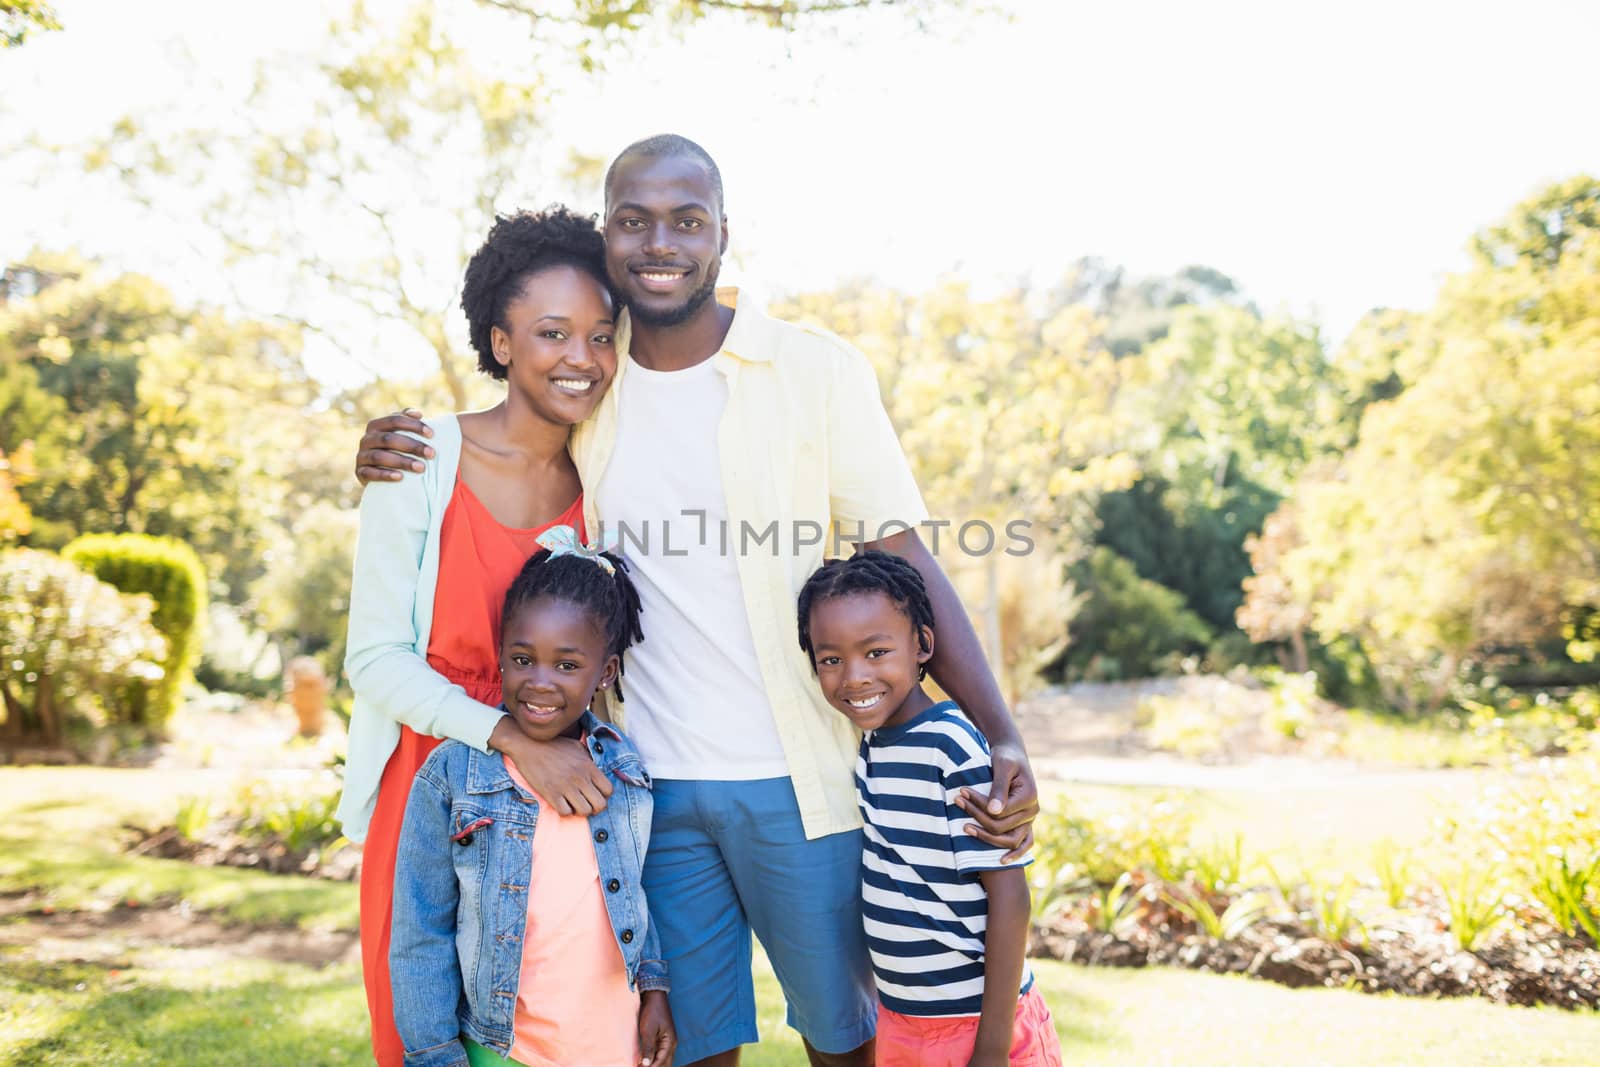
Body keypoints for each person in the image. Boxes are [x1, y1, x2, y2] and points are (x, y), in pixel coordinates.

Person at [353, 133, 1041, 1067]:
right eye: (633, 222)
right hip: (646, 787)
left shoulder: (813, 372)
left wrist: (1001, 731)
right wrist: (394, 445)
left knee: (846, 1038)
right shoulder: (595, 381)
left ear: (724, 231)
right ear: (607, 236)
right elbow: (496, 441)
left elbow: (903, 554)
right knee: (678, 1045)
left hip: (803, 783)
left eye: (686, 219)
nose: (659, 242)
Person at [339, 206, 628, 1067]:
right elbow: (375, 658)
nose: (581, 357)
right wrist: (509, 739)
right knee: (422, 1028)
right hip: (426, 780)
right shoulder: (420, 461)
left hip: (559, 796)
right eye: (552, 332)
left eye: (601, 335)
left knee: (548, 1035)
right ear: (501, 342)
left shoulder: (608, 478)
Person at [389, 536, 675, 1067]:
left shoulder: (622, 767)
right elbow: (419, 932)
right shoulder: (453, 776)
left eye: (567, 666)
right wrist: (432, 1053)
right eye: (524, 659)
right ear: (502, 657)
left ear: (605, 673)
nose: (540, 683)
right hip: (505, 1047)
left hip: (612, 1041)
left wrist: (653, 989)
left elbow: (630, 892)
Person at [797, 552, 1062, 1067]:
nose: (854, 677)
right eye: (831, 659)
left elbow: (1010, 899)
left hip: (978, 1025)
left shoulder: (951, 745)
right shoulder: (873, 747)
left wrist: (990, 1049)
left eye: (876, 652)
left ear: (922, 646)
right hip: (903, 1021)